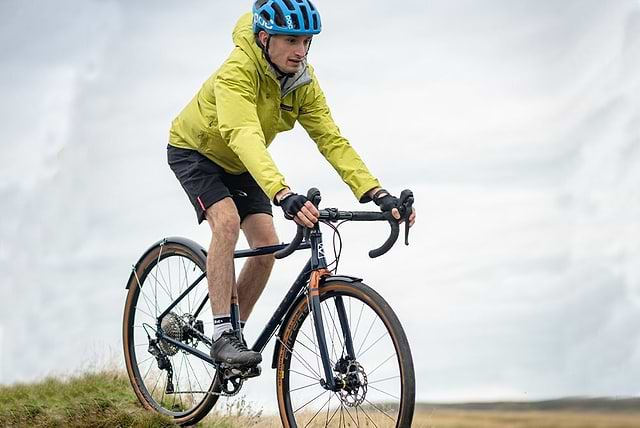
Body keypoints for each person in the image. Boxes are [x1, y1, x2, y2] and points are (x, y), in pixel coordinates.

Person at [167, 0, 416, 367]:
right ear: (265, 37)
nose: (300, 51)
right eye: (291, 41)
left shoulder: (302, 83)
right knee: (228, 223)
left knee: (267, 245)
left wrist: (376, 193)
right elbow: (243, 133)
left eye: (307, 42)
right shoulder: (237, 71)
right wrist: (282, 193)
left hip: (242, 161)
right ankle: (221, 335)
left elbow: (331, 140)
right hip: (197, 151)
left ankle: (234, 339)